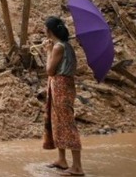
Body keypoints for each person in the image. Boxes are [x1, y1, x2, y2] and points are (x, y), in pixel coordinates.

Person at [42, 16, 84, 177]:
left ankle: (78, 167)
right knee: (57, 121)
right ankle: (62, 160)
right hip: (62, 85)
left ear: (49, 30)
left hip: (60, 85)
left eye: (44, 28)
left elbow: (50, 70)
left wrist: (48, 52)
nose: (43, 30)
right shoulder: (65, 45)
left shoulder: (59, 47)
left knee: (66, 123)